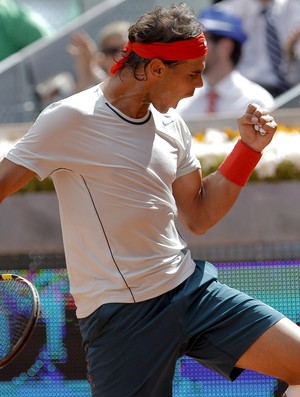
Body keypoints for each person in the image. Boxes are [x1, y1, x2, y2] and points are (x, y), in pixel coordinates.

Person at [0, 3, 300, 397]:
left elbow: (200, 214)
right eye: (192, 74)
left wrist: (247, 150)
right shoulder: (70, 118)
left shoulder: (172, 122)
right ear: (156, 69)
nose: (197, 86)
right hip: (122, 319)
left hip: (190, 291)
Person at [177, 7, 275, 117]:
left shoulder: (257, 101)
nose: (192, 50)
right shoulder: (182, 100)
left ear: (225, 47)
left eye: (201, 42)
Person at [214, 0, 300, 97]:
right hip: (246, 95)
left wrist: (291, 54)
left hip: (292, 91)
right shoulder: (224, 13)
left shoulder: (293, 7)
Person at [67, 21, 130, 92]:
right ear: (101, 58)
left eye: (127, 48)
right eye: (113, 51)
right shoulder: (99, 90)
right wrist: (85, 78)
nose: (121, 55)